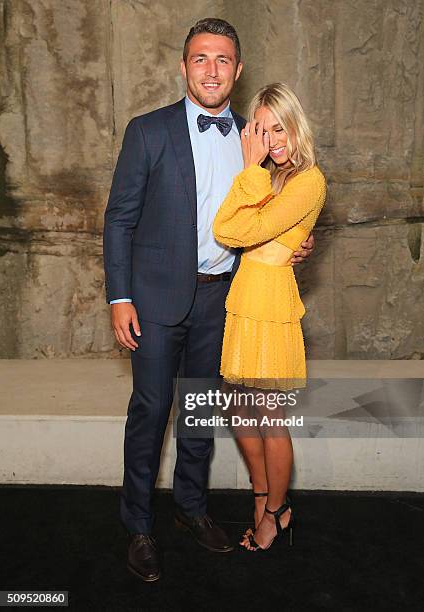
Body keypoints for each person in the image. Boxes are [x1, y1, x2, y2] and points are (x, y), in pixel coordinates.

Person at [103, 19, 315, 581]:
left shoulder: (258, 138)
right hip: (153, 301)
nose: (212, 70)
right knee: (150, 412)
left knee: (199, 414)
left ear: (238, 71)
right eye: (201, 59)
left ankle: (192, 511)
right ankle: (139, 526)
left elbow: (277, 215)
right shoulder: (147, 132)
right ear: (184, 66)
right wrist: (120, 297)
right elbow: (119, 218)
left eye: (223, 60)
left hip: (223, 302)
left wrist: (297, 242)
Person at [213, 82, 326, 551]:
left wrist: (247, 167)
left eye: (279, 128)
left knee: (271, 416)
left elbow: (233, 229)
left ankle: (278, 512)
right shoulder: (273, 176)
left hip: (272, 307)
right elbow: (232, 228)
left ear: (296, 126)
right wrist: (256, 175)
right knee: (239, 407)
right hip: (245, 300)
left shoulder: (308, 179)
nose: (272, 140)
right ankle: (262, 496)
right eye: (260, 130)